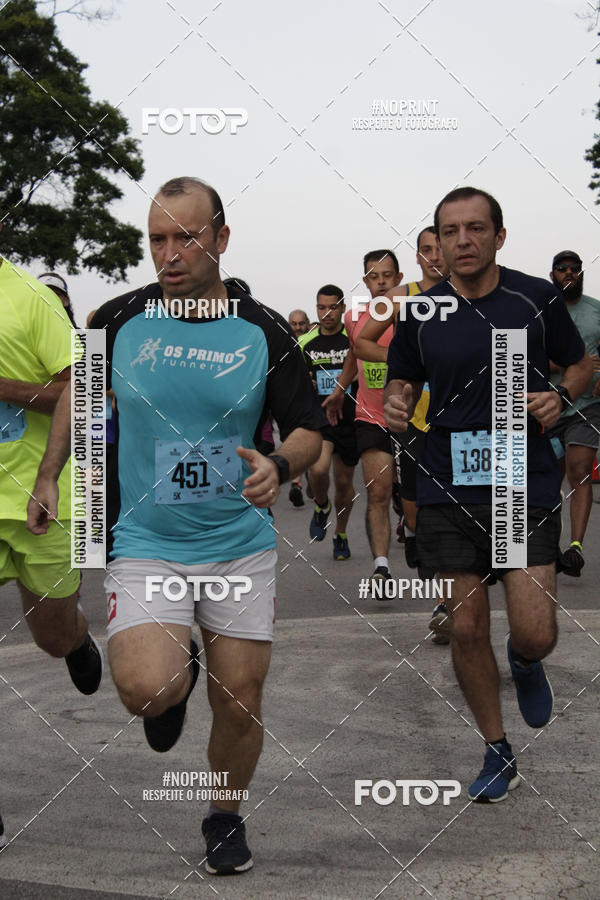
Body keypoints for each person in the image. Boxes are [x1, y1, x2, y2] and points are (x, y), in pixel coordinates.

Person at [27, 176, 323, 875]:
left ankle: (224, 815)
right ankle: (173, 675)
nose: (170, 252)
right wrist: (49, 472)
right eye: (158, 238)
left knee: (241, 700)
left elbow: (312, 429)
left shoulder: (263, 330)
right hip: (147, 540)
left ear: (220, 239)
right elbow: (79, 391)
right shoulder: (118, 319)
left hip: (237, 547)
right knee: (146, 690)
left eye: (186, 236)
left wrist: (280, 466)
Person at [384, 186, 591, 802]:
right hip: (446, 478)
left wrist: (562, 394)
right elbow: (402, 376)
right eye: (450, 232)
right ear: (438, 244)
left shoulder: (535, 297)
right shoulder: (422, 311)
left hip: (518, 481)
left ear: (499, 236)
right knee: (466, 626)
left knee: (534, 632)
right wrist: (397, 400)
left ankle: (526, 662)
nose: (463, 241)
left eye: (476, 229)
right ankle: (497, 749)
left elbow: (581, 363)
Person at [0, 251, 102, 693]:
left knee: (53, 637)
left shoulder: (31, 298)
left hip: (39, 498)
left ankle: (76, 641)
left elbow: (83, 387)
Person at [353, 228, 448, 603]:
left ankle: (444, 604)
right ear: (418, 257)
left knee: (449, 507)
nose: (436, 257)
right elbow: (361, 342)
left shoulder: (474, 293)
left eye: (441, 249)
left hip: (461, 419)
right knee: (414, 506)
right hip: (412, 417)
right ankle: (410, 538)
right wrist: (406, 365)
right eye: (427, 250)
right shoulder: (399, 296)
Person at [326, 250, 402, 591]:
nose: (381, 281)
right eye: (374, 276)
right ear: (366, 281)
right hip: (371, 416)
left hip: (414, 419)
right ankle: (382, 568)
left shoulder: (418, 311)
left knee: (415, 506)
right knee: (378, 491)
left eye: (387, 275)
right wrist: (341, 390)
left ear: (399, 279)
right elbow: (354, 357)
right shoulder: (354, 316)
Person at [546, 251, 600, 578]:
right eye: (562, 269)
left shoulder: (596, 311)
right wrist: (572, 365)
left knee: (580, 469)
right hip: (551, 404)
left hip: (588, 407)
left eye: (574, 269)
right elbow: (529, 351)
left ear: (581, 273)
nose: (569, 274)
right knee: (550, 478)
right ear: (553, 274)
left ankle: (576, 546)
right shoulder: (544, 311)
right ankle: (550, 546)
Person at [300, 285, 358, 559]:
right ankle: (321, 505)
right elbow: (296, 383)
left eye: (333, 307)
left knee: (344, 485)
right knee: (319, 470)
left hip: (350, 420)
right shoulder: (306, 345)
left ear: (343, 309)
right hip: (321, 420)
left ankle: (341, 534)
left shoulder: (354, 342)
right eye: (321, 307)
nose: (327, 313)